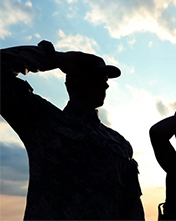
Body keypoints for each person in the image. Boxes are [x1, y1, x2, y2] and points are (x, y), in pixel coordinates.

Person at [0, 40, 145, 220]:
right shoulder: (43, 121)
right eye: (97, 78)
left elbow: (131, 205)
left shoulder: (119, 143)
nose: (106, 85)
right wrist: (54, 58)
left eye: (105, 80)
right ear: (75, 82)